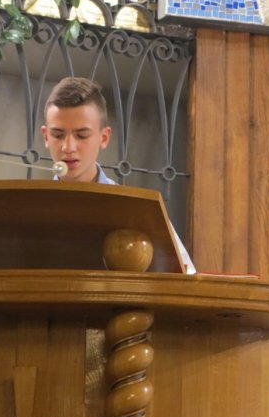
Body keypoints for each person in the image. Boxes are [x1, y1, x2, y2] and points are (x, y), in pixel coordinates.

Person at [41, 77, 196, 273]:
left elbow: (187, 276)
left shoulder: (138, 210)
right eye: (58, 135)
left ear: (104, 137)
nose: (68, 147)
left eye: (81, 135)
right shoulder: (30, 206)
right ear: (46, 136)